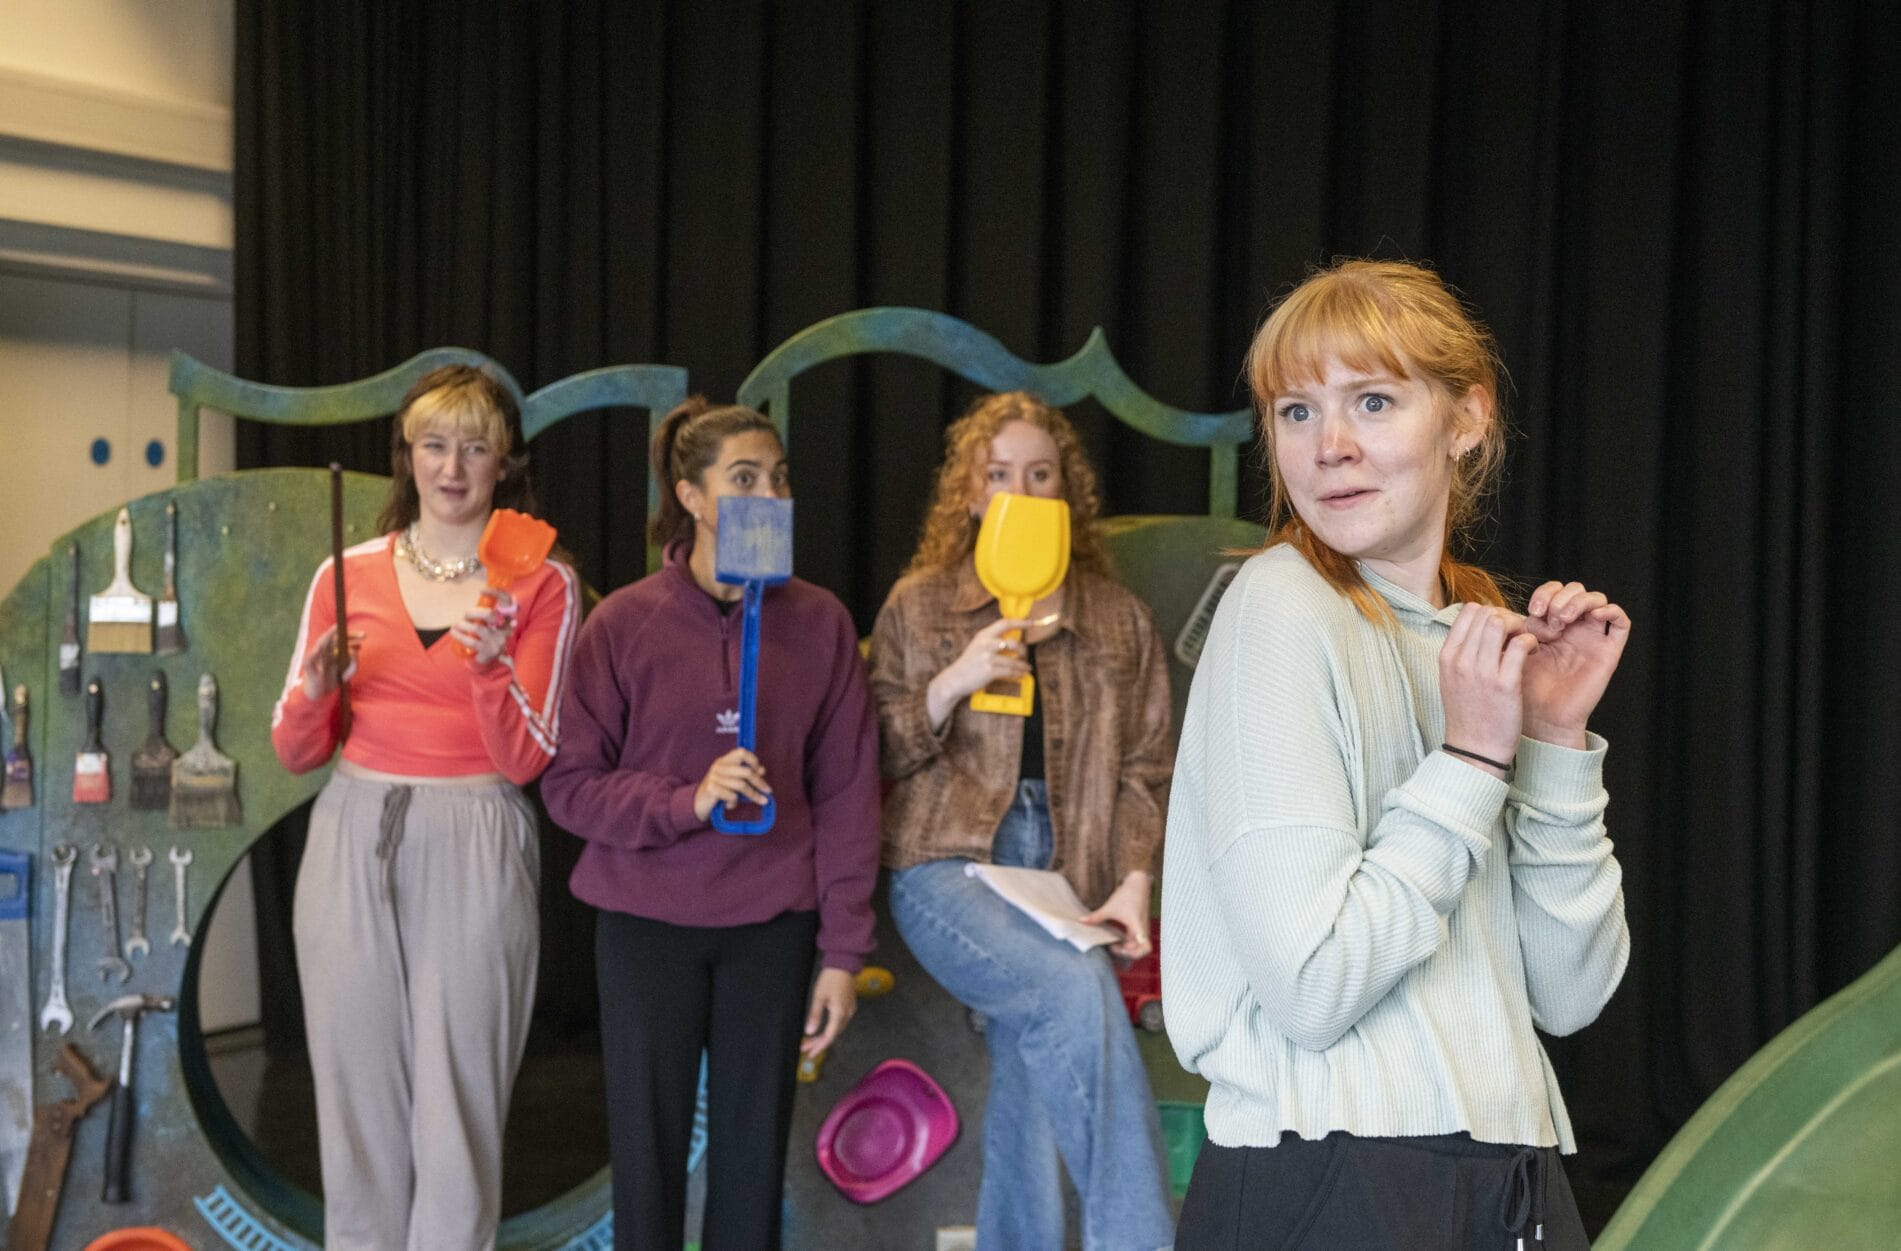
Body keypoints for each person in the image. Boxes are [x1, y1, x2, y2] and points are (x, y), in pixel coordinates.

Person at [1162, 259, 1632, 1249]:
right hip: (1333, 1176)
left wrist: (1550, 741)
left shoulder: (1472, 638)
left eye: (1371, 401)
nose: (1328, 445)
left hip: (1510, 1171)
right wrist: (1467, 762)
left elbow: (1570, 992)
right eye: (1295, 411)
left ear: (1465, 418)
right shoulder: (1279, 606)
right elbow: (1313, 985)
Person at [540, 398, 880, 1251]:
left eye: (779, 478)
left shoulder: (821, 623)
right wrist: (685, 800)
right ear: (690, 497)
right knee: (645, 1162)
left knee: (751, 1163)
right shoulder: (623, 623)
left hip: (771, 925)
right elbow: (570, 788)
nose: (770, 494)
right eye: (744, 479)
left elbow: (848, 794)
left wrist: (843, 952)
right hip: (645, 924)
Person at [270, 364, 581, 1251]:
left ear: (503, 462)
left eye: (474, 447)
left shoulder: (542, 582)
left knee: (457, 1111)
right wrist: (316, 691)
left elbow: (527, 757)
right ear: (406, 455)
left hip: (476, 831)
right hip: (351, 829)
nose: (452, 466)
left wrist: (487, 669)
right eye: (434, 444)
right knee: (355, 1102)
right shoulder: (345, 573)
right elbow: (295, 750)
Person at [868, 391, 1177, 1251]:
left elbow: (1147, 767)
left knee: (1034, 1072)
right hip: (947, 862)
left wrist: (1133, 882)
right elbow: (876, 753)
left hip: (1069, 870)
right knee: (1071, 990)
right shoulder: (920, 605)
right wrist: (952, 681)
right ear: (970, 494)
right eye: (999, 473)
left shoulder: (1116, 618)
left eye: (1039, 474)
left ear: (1064, 492)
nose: (1019, 488)